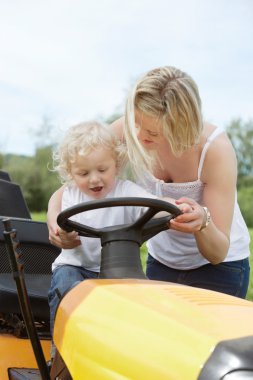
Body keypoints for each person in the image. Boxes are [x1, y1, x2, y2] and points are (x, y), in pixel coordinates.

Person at [47, 66, 250, 299]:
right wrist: (54, 223)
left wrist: (202, 222)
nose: (139, 135)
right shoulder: (129, 129)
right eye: (136, 121)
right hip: (162, 263)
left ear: (179, 123)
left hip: (221, 269)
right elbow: (67, 189)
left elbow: (218, 252)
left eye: (152, 132)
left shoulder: (214, 150)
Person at [48, 121, 189, 339]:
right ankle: (59, 356)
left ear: (116, 164)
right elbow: (61, 225)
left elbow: (155, 204)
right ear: (71, 173)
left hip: (117, 272)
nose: (94, 179)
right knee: (68, 292)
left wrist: (176, 206)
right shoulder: (70, 194)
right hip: (75, 266)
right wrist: (63, 234)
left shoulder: (126, 191)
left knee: (140, 304)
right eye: (83, 173)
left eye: (102, 170)